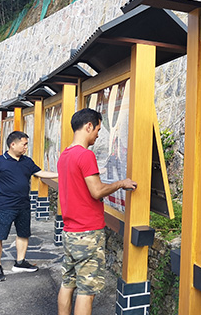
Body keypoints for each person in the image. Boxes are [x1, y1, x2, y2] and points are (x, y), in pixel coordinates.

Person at [56, 108, 137, 315]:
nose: (98, 135)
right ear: (89, 126)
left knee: (68, 282)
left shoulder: (64, 155)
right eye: (98, 130)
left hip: (70, 231)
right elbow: (97, 191)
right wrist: (121, 183)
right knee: (87, 290)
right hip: (88, 233)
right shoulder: (85, 155)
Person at [0, 131, 59, 282]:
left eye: (26, 144)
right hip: (5, 206)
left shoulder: (27, 161)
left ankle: (20, 262)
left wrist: (60, 174)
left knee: (23, 234)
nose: (26, 147)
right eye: (24, 144)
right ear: (13, 144)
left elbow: (40, 173)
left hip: (24, 205)